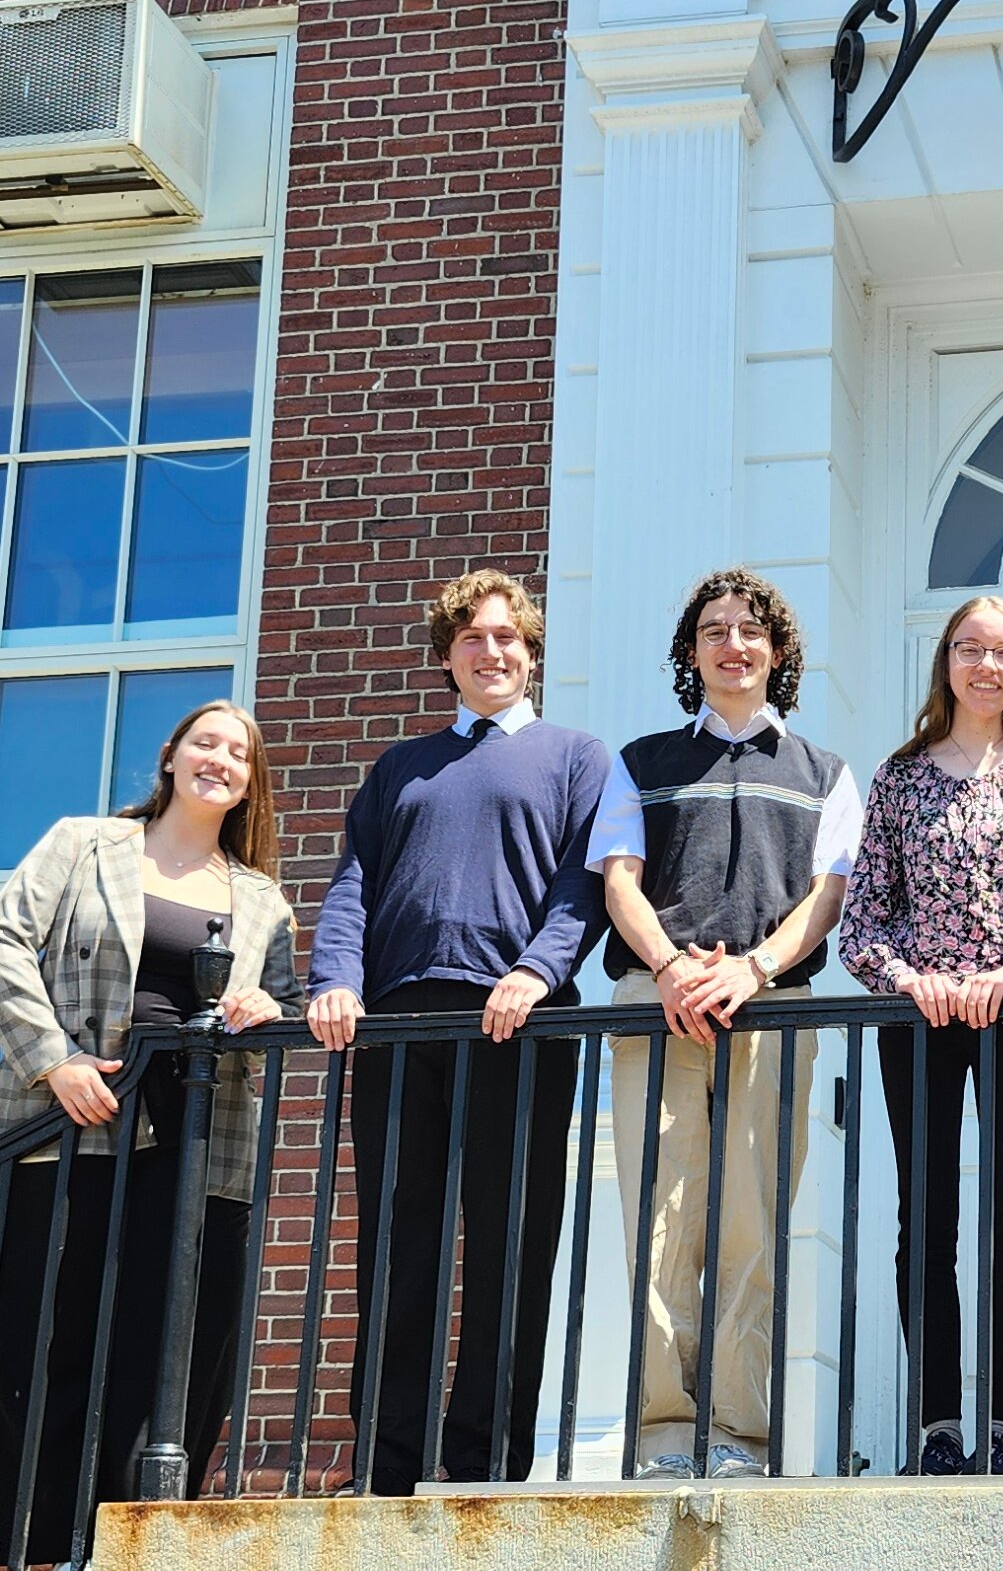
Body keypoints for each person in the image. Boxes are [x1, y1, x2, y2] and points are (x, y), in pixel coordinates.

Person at [308, 568, 610, 1495]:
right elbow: (353, 884)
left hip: (520, 1025)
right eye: (472, 637)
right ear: (446, 657)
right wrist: (335, 980)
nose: (491, 651)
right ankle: (384, 1464)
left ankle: (486, 1466)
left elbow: (585, 886)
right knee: (399, 1250)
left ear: (532, 653)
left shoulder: (576, 757)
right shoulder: (400, 765)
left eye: (507, 636)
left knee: (512, 1247)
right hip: (399, 1029)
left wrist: (536, 970)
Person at [0, 700, 299, 1557]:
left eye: (238, 753)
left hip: (202, 1136)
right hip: (76, 1120)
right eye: (206, 743)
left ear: (249, 782)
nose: (220, 759)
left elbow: (280, 1007)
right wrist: (52, 1060)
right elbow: (5, 938)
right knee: (48, 1340)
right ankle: (30, 1541)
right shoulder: (83, 844)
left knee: (169, 1349)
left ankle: (133, 1542)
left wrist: (263, 1007)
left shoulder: (262, 899)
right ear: (171, 756)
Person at [588, 569, 861, 1480]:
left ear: (776, 652)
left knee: (753, 1223)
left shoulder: (824, 773)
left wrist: (753, 968)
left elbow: (826, 900)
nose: (732, 644)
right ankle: (665, 1435)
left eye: (750, 630)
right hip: (654, 1003)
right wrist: (672, 968)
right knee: (658, 1223)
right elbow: (619, 882)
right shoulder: (640, 762)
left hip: (771, 1004)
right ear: (692, 651)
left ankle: (739, 1436)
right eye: (714, 630)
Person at [841, 594, 1003, 1478]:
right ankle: (938, 1432)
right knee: (926, 1217)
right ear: (945, 661)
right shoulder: (899, 776)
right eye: (968, 649)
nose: (985, 666)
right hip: (921, 1021)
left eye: (1002, 651)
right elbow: (862, 922)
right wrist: (910, 980)